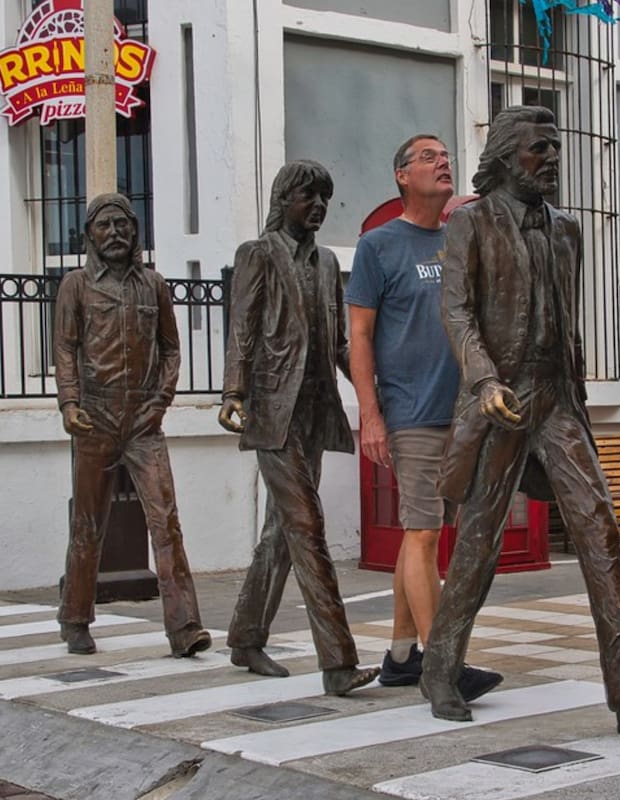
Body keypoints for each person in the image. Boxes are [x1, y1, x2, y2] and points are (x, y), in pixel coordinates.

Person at [418, 105, 620, 736]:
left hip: (556, 402)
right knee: (480, 542)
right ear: (506, 156)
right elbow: (457, 313)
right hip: (501, 402)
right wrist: (484, 378)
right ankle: (440, 669)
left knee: (601, 532)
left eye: (556, 149)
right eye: (537, 149)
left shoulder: (568, 230)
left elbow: (565, 325)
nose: (551, 160)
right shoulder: (472, 224)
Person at [346, 134, 500, 702]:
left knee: (424, 535)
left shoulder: (460, 240)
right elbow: (358, 336)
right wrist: (371, 415)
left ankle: (402, 656)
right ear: (401, 176)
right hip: (410, 413)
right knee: (422, 530)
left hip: (462, 414)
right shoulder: (379, 247)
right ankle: (443, 664)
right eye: (429, 156)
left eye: (446, 156)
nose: (444, 162)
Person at [219, 160, 379, 696]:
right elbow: (242, 326)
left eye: (325, 200)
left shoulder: (330, 263)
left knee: (281, 534)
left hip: (313, 413)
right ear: (283, 198)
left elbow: (338, 341)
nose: (318, 207)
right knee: (308, 530)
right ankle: (338, 662)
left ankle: (245, 636)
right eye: (308, 196)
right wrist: (233, 393)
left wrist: (370, 389)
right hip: (273, 412)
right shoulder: (258, 255)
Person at [54, 193, 211, 658]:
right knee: (88, 524)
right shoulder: (76, 287)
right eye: (104, 225)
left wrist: (161, 401)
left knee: (166, 522)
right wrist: (69, 403)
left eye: (123, 224)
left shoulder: (155, 285)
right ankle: (76, 618)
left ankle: (184, 627)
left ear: (136, 232)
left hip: (144, 421)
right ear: (90, 235)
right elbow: (64, 349)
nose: (115, 233)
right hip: (95, 417)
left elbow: (171, 349)